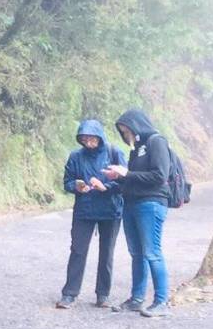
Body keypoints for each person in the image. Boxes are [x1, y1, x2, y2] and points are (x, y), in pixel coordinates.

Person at [103, 109, 172, 317]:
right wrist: (119, 176)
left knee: (152, 252)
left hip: (151, 204)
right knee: (137, 254)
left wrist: (128, 173)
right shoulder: (136, 148)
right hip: (131, 204)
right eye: (123, 132)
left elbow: (160, 176)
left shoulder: (156, 141)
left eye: (128, 130)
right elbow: (134, 178)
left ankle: (162, 302)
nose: (126, 135)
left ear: (137, 125)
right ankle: (136, 298)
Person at [57, 119, 124, 309]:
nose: (88, 142)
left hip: (110, 210)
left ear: (100, 136)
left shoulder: (114, 153)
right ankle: (69, 294)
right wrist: (76, 186)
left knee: (106, 253)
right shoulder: (76, 156)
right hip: (84, 210)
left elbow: (125, 181)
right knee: (77, 251)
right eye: (84, 138)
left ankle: (103, 295)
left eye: (91, 138)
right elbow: (67, 182)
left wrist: (106, 187)